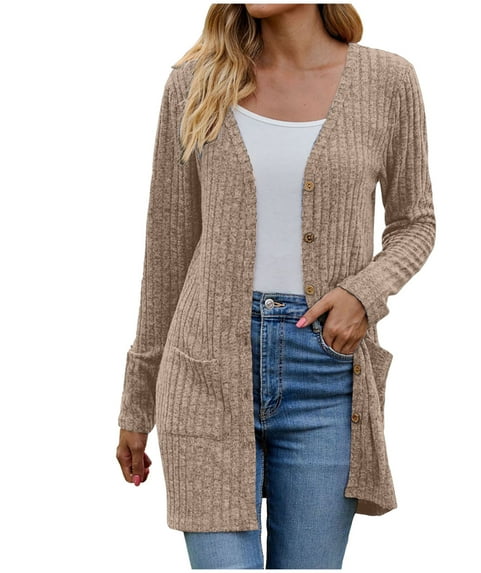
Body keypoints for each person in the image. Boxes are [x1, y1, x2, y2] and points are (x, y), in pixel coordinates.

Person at [116, 3, 436, 569]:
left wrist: (364, 293)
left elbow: (416, 223)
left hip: (325, 376)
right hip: (205, 372)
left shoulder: (388, 81)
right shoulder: (193, 83)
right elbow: (167, 252)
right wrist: (136, 404)